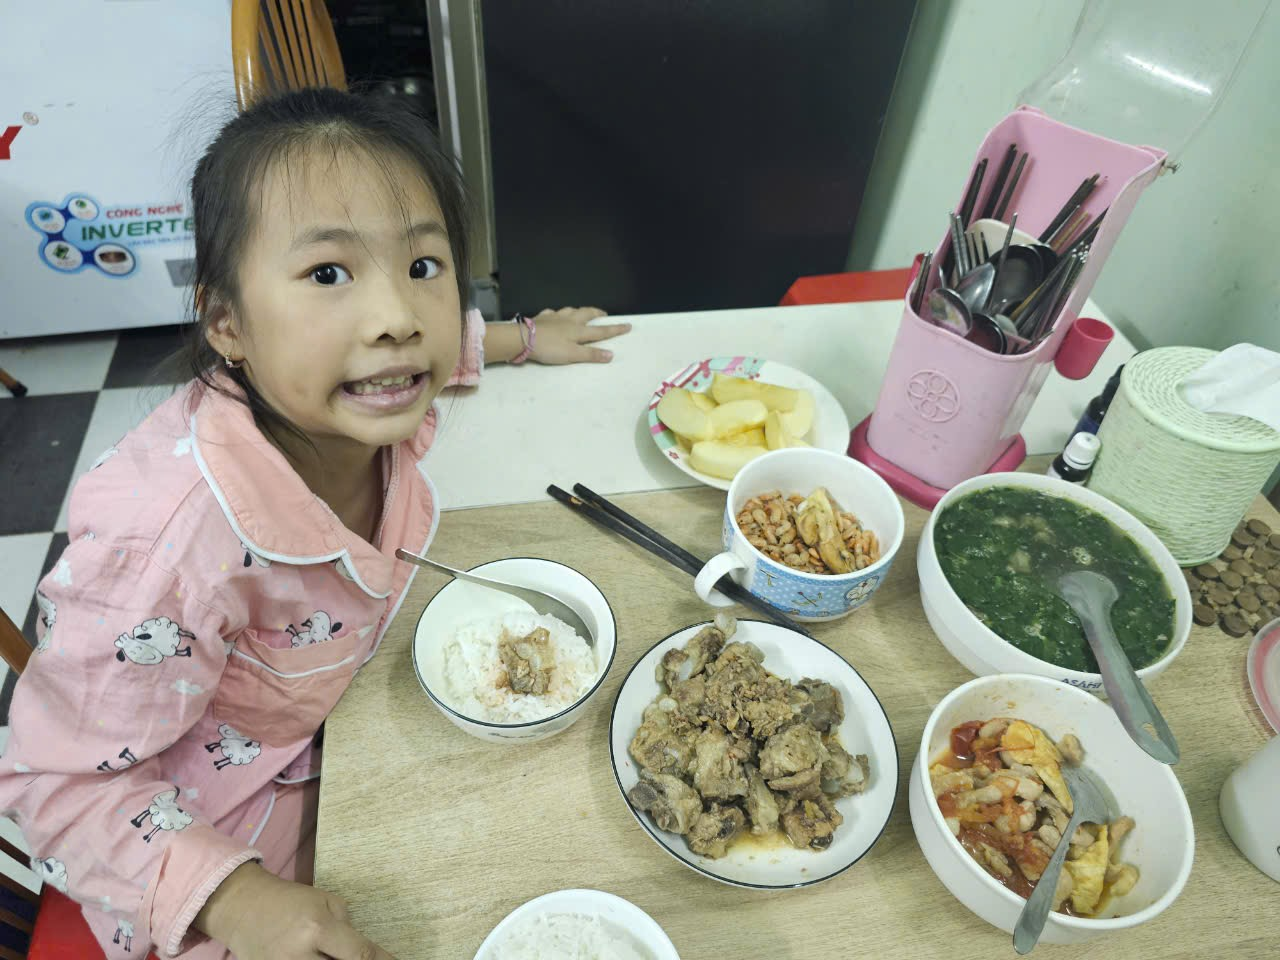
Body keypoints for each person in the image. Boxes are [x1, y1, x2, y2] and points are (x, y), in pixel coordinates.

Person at [0, 87, 629, 960]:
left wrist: (521, 339)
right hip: (220, 830)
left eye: (422, 265)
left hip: (357, 718)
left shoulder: (368, 385)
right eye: (328, 274)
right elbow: (53, 787)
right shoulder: (169, 548)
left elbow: (435, 346)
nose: (396, 319)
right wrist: (231, 896)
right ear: (228, 322)